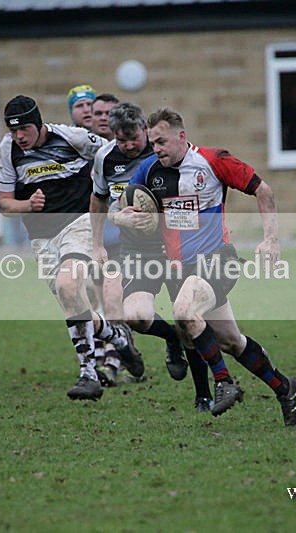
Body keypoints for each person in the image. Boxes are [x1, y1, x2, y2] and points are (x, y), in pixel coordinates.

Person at [127, 108, 296, 426]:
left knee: (184, 311)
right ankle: (284, 389)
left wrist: (271, 239)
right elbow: (121, 207)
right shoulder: (149, 170)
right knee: (231, 342)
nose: (156, 149)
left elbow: (263, 190)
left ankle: (224, 382)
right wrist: (125, 218)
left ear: (181, 136)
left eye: (162, 142)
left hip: (217, 260)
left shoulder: (212, 160)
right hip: (179, 270)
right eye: (152, 143)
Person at [0, 94, 143, 401]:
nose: (19, 136)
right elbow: (4, 204)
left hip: (79, 223)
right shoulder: (8, 150)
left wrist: (123, 193)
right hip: (41, 238)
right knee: (71, 299)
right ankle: (116, 336)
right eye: (13, 130)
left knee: (68, 284)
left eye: (24, 129)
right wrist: (26, 205)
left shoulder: (72, 138)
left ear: (38, 124)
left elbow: (113, 154)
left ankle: (88, 373)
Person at [91, 102, 214, 409]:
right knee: (136, 316)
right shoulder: (105, 158)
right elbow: (99, 200)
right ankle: (171, 338)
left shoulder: (163, 152)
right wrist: (98, 242)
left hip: (173, 245)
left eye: (133, 137)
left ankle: (203, 394)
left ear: (144, 130)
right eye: (121, 140)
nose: (128, 145)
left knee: (187, 318)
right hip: (136, 249)